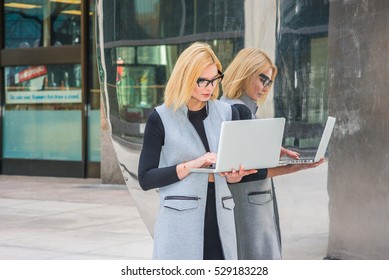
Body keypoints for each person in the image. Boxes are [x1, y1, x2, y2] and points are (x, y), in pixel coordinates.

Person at [137, 42, 256, 260]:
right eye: (202, 80)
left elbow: (231, 172)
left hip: (221, 218)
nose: (209, 87)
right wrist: (192, 165)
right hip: (180, 221)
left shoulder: (228, 113)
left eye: (214, 80)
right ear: (185, 76)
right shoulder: (160, 118)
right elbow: (145, 178)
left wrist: (235, 176)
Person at [220, 48, 325, 260]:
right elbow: (247, 171)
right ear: (247, 72)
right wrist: (294, 167)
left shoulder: (234, 108)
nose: (265, 87)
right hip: (250, 208)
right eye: (263, 79)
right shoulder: (237, 110)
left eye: (269, 82)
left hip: (251, 204)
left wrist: (272, 149)